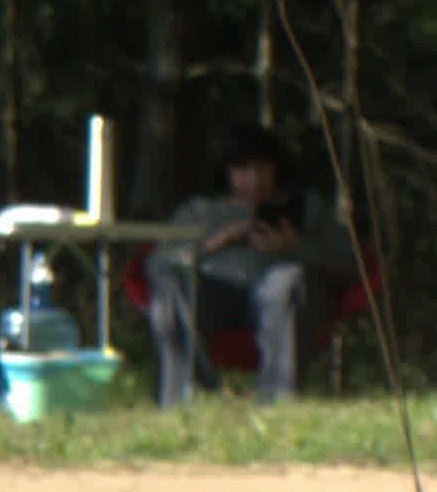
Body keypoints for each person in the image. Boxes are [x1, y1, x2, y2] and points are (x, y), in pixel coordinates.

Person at [141, 123, 357, 408]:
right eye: (243, 170)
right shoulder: (198, 211)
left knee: (287, 280)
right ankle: (187, 396)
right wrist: (216, 242)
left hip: (279, 298)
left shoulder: (308, 208)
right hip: (211, 295)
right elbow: (157, 263)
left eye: (263, 169)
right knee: (171, 286)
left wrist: (297, 248)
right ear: (227, 172)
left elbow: (351, 263)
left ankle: (278, 400)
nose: (254, 180)